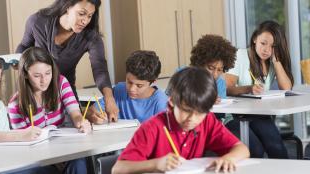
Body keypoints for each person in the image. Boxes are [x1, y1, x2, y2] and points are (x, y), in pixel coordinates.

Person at [112, 67, 249, 174]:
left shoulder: (206, 121)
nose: (192, 119)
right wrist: (156, 164)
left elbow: (242, 149)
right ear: (171, 101)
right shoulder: (153, 127)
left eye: (200, 113)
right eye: (186, 110)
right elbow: (118, 169)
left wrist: (228, 158)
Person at [16, 0, 119, 122]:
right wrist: (17, 61)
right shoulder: (38, 21)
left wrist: (109, 99)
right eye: (81, 13)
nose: (85, 21)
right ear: (67, 7)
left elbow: (100, 68)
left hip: (66, 91)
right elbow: (24, 46)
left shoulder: (91, 37)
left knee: (76, 125)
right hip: (35, 90)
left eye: (90, 16)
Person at [8, 47, 91, 173]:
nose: (44, 80)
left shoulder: (61, 82)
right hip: (37, 157)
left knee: (78, 161)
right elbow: (24, 144)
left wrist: (81, 122)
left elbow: (75, 114)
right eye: (37, 76)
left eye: (48, 73)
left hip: (66, 148)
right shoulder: (15, 105)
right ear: (25, 74)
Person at [225, 20, 294, 159]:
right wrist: (249, 88)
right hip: (234, 116)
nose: (266, 50)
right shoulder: (240, 55)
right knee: (255, 149)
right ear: (255, 38)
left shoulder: (272, 62)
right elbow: (227, 88)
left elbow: (286, 87)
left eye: (273, 46)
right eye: (263, 43)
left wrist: (277, 61)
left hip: (258, 114)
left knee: (277, 148)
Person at [87, 50, 168, 124]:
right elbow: (88, 111)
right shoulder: (119, 90)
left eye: (139, 85)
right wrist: (93, 116)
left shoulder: (160, 103)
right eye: (129, 82)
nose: (131, 89)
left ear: (153, 81)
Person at [189, 34, 237, 123]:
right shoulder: (183, 76)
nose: (215, 74)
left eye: (220, 70)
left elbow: (221, 114)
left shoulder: (220, 83)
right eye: (211, 68)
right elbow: (171, 105)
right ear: (200, 63)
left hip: (215, 124)